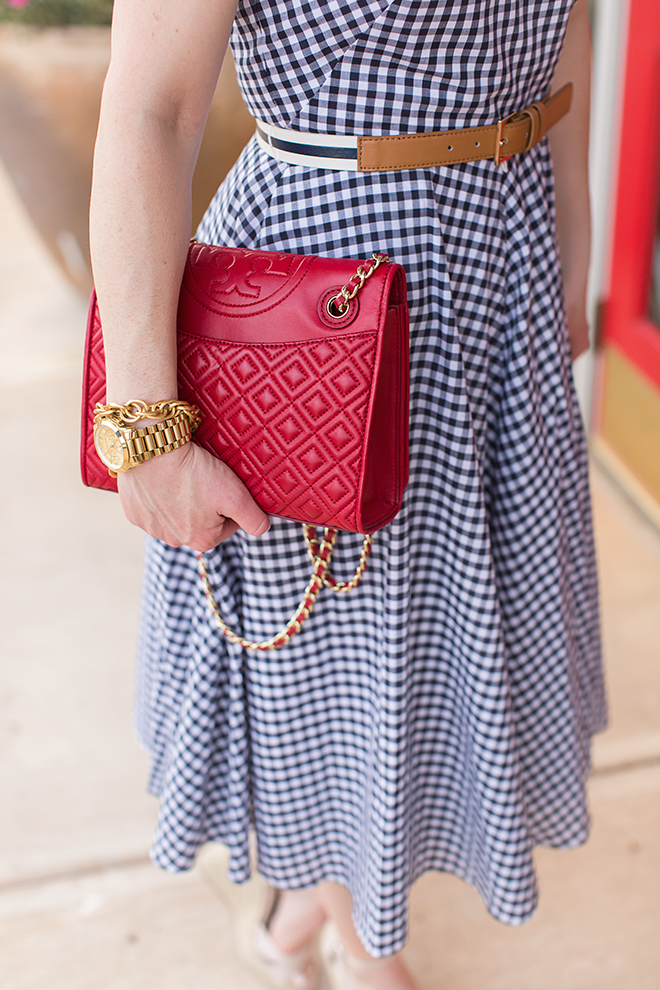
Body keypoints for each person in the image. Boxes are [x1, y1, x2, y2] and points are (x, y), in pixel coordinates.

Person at [89, 1, 606, 988]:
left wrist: (573, 236)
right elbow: (149, 108)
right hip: (324, 304)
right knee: (345, 663)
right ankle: (361, 946)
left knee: (441, 644)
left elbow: (564, 23)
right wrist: (146, 427)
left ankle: (301, 924)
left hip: (501, 270)